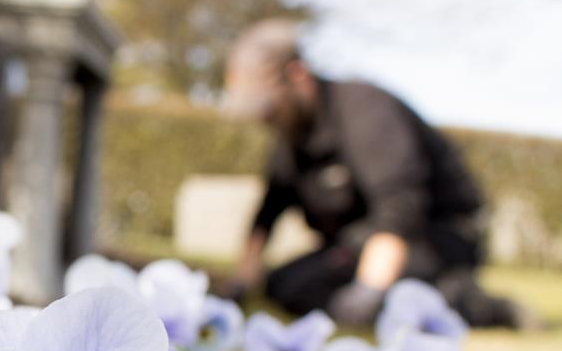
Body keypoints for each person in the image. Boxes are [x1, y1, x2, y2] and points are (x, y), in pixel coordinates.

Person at [220, 19, 527, 329]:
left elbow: (400, 207)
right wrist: (243, 282)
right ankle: (409, 301)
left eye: (269, 107)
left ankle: (472, 305)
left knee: (365, 301)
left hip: (435, 235)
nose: (264, 118)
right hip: (360, 243)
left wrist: (369, 291)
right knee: (287, 285)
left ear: (298, 75)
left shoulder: (364, 110)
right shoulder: (294, 135)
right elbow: (271, 207)